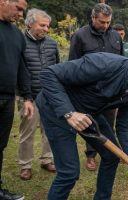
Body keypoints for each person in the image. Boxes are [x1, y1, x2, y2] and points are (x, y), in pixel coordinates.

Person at [36, 50, 128, 200]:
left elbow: (124, 126)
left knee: (112, 156)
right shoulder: (103, 64)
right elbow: (49, 74)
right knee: (69, 173)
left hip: (88, 111)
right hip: (56, 109)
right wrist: (69, 113)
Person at [69, 3, 123, 171]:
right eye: (101, 22)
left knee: (108, 123)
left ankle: (110, 154)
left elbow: (121, 62)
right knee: (91, 124)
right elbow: (73, 65)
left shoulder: (115, 36)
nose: (105, 26)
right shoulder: (80, 36)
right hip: (89, 91)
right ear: (93, 18)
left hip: (111, 90)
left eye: (108, 22)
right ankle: (91, 156)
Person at [18, 8, 59, 181]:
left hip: (48, 95)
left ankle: (46, 159)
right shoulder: (19, 42)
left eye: (47, 26)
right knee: (27, 132)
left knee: (49, 130)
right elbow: (17, 71)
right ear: (29, 23)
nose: (46, 29)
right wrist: (24, 95)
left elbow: (57, 66)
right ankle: (25, 165)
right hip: (28, 96)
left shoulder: (52, 43)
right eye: (42, 25)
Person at [0, 0, 33, 199]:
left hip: (7, 98)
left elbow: (22, 68)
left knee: (0, 145)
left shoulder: (16, 35)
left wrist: (28, 97)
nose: (20, 14)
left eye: (23, 10)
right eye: (18, 8)